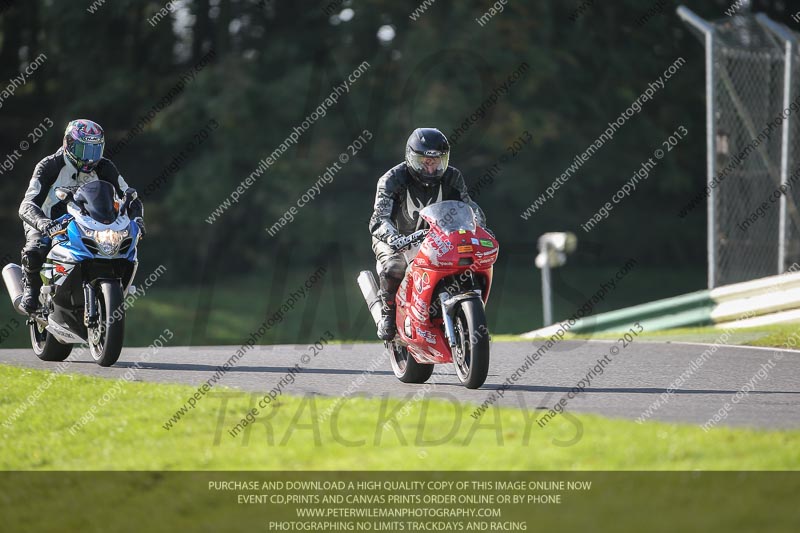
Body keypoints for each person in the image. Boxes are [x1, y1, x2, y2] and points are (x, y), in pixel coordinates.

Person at [369, 127, 488, 340]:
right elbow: (378, 219)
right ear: (410, 157)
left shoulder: (453, 177)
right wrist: (394, 238)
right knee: (395, 267)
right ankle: (388, 313)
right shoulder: (391, 180)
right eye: (425, 161)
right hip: (395, 236)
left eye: (437, 161)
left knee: (465, 262)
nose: (431, 168)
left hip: (436, 236)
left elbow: (468, 207)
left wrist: (480, 227)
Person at [17, 119, 144, 313]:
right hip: (46, 218)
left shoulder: (105, 167)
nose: (90, 158)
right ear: (68, 143)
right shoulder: (49, 166)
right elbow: (27, 204)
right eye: (84, 150)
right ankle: (31, 289)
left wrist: (137, 219)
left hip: (85, 219)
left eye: (95, 151)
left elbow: (130, 196)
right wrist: (43, 223)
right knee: (36, 250)